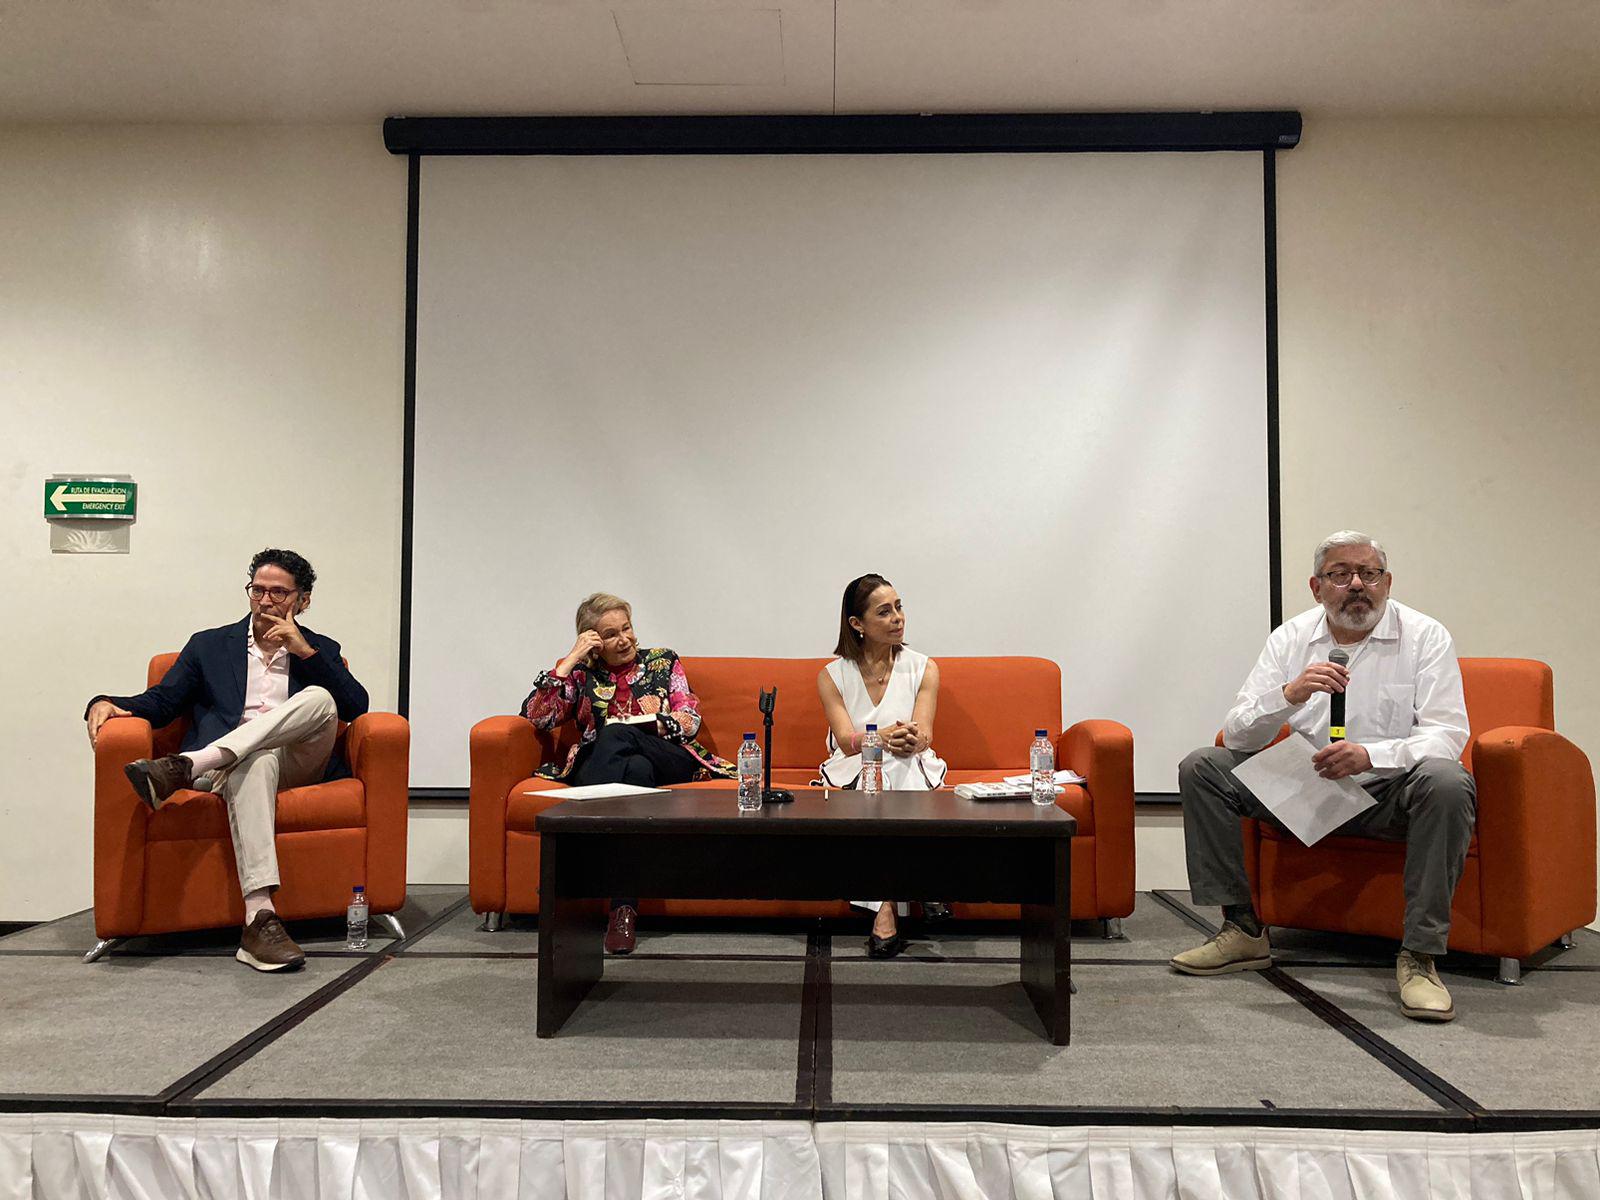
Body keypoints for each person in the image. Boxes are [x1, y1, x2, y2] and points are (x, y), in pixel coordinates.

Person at [1171, 531, 1475, 1022]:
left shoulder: (1425, 636)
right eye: (1340, 574)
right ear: (1316, 588)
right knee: (1204, 767)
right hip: (1309, 789)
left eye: (1369, 574)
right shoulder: (1290, 638)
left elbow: (1447, 735)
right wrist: (1288, 696)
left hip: (1390, 792)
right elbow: (1239, 734)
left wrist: (1371, 756)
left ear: (1387, 583)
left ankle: (1420, 957)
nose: (1356, 585)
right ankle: (1242, 930)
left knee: (1447, 781)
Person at [85, 548, 369, 972]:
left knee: (321, 699)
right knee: (255, 761)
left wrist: (305, 652)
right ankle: (260, 920)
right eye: (258, 590)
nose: (266, 601)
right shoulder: (210, 646)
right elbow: (163, 702)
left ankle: (187, 764)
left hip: (295, 765)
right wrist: (106, 701)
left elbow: (355, 707)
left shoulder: (321, 650)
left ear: (303, 600)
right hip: (228, 773)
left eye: (279, 593)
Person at [522, 592, 734, 954]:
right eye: (611, 634)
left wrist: (651, 725)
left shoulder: (663, 662)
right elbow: (538, 717)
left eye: (627, 628)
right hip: (624, 767)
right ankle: (623, 909)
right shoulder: (581, 674)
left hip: (668, 755)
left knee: (616, 734)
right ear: (593, 641)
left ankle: (577, 850)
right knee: (635, 768)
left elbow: (690, 718)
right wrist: (569, 661)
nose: (624, 639)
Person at [818, 574, 949, 958]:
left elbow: (925, 733)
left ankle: (885, 907)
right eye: (885, 611)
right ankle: (916, 890)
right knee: (880, 768)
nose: (898, 618)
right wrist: (879, 739)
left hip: (909, 761)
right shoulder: (831, 676)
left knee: (893, 766)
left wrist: (912, 739)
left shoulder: (924, 668)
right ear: (857, 624)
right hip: (855, 764)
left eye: (899, 607)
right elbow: (846, 740)